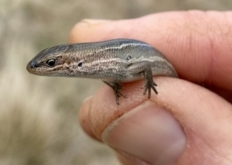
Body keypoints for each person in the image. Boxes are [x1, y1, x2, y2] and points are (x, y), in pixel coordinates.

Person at [69, 11, 232, 165]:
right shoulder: (106, 68)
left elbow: (146, 64)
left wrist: (149, 82)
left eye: (52, 64)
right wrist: (117, 85)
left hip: (167, 72)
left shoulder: (115, 64)